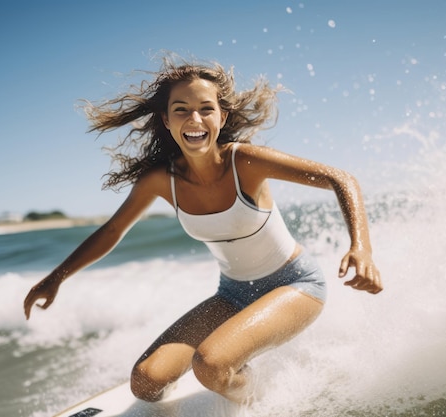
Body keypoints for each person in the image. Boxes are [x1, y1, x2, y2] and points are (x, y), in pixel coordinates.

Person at [23, 57, 382, 404]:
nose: (194, 119)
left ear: (221, 116)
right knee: (146, 382)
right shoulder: (162, 181)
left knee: (210, 366)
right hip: (233, 294)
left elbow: (340, 179)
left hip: (295, 284)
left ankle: (259, 398)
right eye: (181, 109)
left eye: (206, 108)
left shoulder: (245, 161)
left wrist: (361, 247)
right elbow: (113, 230)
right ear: (166, 120)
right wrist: (56, 277)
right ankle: (237, 378)